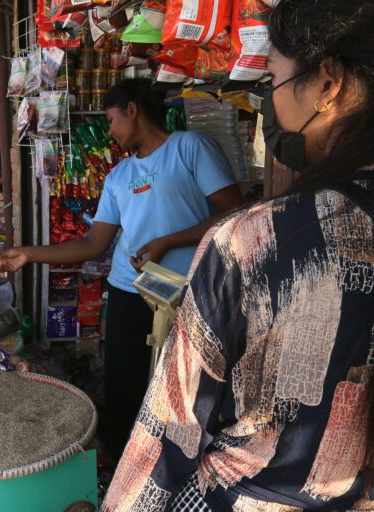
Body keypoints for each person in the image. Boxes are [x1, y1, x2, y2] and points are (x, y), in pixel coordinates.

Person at [102, 1, 374, 510]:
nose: (270, 99)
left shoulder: (254, 240)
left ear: (327, 83)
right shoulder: (124, 176)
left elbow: (170, 430)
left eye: (272, 76)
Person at [0, 78, 244, 460]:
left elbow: (233, 212)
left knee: (184, 388)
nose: (110, 131)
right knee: (124, 387)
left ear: (132, 110)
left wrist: (168, 242)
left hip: (187, 292)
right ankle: (121, 466)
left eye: (112, 120)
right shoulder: (118, 176)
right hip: (130, 292)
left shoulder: (190, 148)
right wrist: (29, 254)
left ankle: (174, 464)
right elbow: (93, 244)